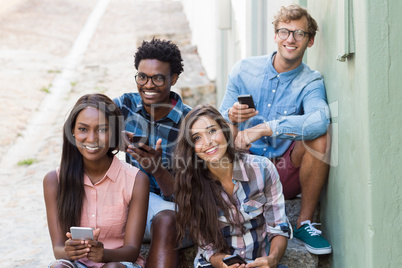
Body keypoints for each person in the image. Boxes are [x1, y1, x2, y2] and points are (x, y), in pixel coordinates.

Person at [219, 4, 332, 255]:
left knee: (320, 135)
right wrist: (232, 117)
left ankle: (303, 223)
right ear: (275, 36)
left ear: (310, 41)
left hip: (284, 173)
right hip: (241, 170)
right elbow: (218, 120)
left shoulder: (311, 81)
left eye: (299, 34)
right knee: (221, 128)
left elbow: (319, 120)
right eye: (284, 32)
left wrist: (266, 128)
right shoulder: (244, 69)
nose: (290, 39)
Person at [174, 105, 290, 268]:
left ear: (225, 131)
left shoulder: (262, 169)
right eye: (196, 138)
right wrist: (221, 263)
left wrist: (273, 259)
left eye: (212, 131)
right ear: (191, 148)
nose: (208, 142)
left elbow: (278, 227)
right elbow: (207, 247)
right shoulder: (191, 183)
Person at [43, 93, 149, 268]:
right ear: (72, 132)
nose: (91, 139)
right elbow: (58, 249)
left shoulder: (136, 180)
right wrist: (69, 251)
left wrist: (103, 254)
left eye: (101, 130)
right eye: (83, 129)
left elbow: (131, 251)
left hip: (119, 263)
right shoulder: (54, 181)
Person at [114, 38, 192, 267]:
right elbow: (87, 116)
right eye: (142, 76)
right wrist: (115, 137)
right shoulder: (126, 104)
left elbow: (186, 197)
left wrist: (157, 170)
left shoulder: (190, 123)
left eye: (158, 78)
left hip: (175, 211)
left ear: (173, 79)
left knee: (168, 221)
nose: (148, 85)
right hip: (134, 206)